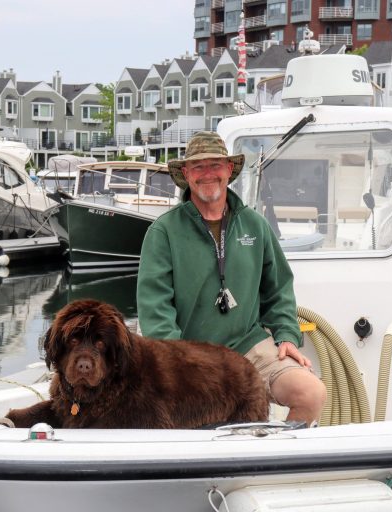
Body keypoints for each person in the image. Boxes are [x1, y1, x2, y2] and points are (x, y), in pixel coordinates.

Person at [136, 131, 326, 425]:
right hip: (190, 355)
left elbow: (278, 290)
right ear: (186, 174)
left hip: (249, 346)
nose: (207, 174)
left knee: (311, 393)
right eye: (198, 167)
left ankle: (270, 461)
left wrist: (286, 335)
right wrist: (181, 365)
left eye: (215, 165)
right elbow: (155, 310)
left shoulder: (255, 225)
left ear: (229, 170)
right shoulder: (163, 232)